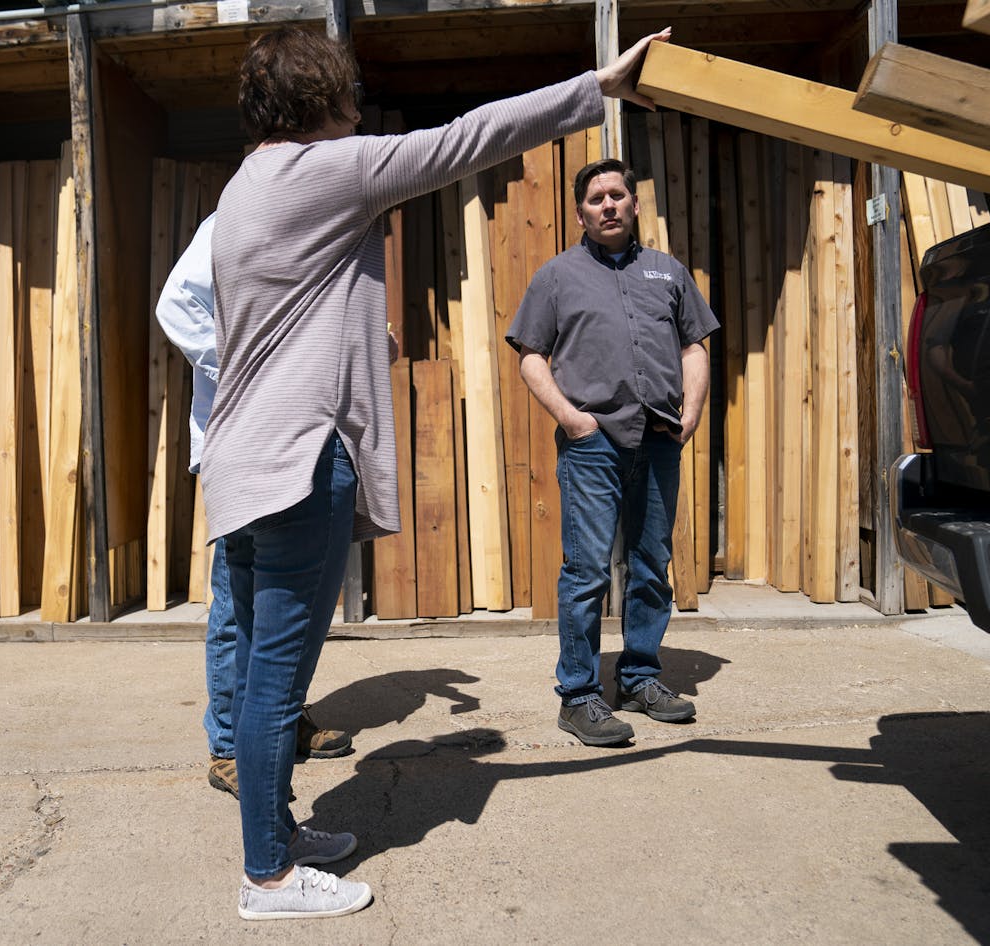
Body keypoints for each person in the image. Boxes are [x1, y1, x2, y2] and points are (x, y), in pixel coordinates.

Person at [202, 26, 673, 921]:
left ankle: (279, 835)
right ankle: (267, 876)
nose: (355, 103)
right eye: (347, 89)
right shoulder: (324, 171)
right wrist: (596, 87)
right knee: (277, 681)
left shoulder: (245, 187)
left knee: (266, 669)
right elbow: (464, 140)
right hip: (298, 460)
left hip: (243, 460)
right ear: (324, 98)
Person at [506, 158, 718, 748]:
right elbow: (529, 354)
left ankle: (641, 678)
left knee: (651, 565)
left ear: (633, 205)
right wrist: (573, 420)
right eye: (596, 198)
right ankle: (578, 696)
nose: (608, 205)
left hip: (657, 439)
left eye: (617, 195)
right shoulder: (556, 277)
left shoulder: (667, 273)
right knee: (587, 572)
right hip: (593, 445)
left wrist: (692, 411)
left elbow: (695, 345)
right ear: (580, 213)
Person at [153, 213, 355, 802]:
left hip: (297, 442)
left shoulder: (311, 225)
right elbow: (176, 305)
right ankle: (227, 746)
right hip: (238, 440)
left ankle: (278, 723)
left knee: (287, 598)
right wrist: (248, 367)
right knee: (237, 597)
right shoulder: (234, 220)